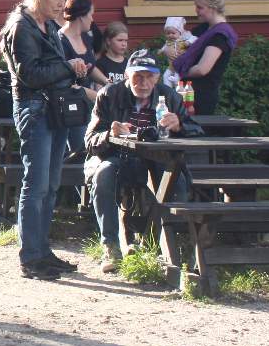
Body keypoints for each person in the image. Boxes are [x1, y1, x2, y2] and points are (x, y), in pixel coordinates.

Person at [0, 0, 85, 281]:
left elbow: (53, 69)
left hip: (54, 108)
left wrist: (72, 69)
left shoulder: (48, 25)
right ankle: (31, 257)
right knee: (35, 185)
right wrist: (68, 67)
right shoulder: (20, 27)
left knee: (49, 185)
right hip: (33, 108)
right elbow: (30, 75)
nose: (61, 4)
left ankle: (42, 251)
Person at [84, 50, 202, 272]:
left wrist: (179, 126)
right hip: (118, 156)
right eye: (138, 76)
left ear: (157, 78)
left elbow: (196, 130)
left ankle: (171, 249)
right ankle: (110, 246)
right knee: (104, 175)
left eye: (150, 77)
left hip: (158, 159)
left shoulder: (168, 96)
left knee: (176, 182)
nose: (144, 82)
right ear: (127, 75)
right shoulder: (110, 95)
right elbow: (90, 141)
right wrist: (110, 133)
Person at [165, 0, 237, 116]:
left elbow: (202, 69)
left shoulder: (220, 35)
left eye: (200, 7)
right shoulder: (203, 29)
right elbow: (181, 44)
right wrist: (169, 50)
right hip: (185, 91)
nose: (196, 11)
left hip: (201, 97)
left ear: (213, 7)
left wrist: (179, 71)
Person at [60, 0, 107, 157]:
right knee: (80, 152)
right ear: (81, 16)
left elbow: (90, 67)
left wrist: (108, 84)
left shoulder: (86, 37)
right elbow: (66, 84)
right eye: (91, 15)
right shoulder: (60, 40)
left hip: (88, 103)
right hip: (70, 105)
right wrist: (100, 96)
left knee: (93, 151)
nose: (92, 20)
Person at [95, 22, 131, 87]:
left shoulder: (128, 63)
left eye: (126, 40)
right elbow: (98, 90)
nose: (124, 44)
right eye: (120, 40)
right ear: (108, 41)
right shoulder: (101, 63)